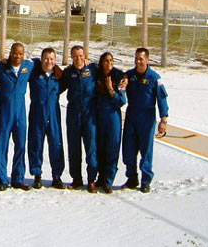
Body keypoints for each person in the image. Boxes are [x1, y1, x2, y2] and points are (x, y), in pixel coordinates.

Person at [122, 47, 169, 193]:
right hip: (131, 117)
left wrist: (163, 120)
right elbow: (117, 77)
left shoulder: (155, 78)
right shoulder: (129, 75)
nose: (138, 61)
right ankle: (132, 178)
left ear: (147, 60)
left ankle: (145, 180)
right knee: (128, 150)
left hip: (147, 119)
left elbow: (162, 99)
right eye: (136, 58)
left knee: (146, 151)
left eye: (141, 59)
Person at [0, 42, 35, 191]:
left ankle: (18, 178)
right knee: (2, 145)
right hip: (4, 112)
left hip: (20, 113)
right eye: (15, 53)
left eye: (20, 53)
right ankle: (2, 178)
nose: (17, 56)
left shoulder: (28, 66)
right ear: (10, 53)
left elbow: (41, 62)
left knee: (20, 145)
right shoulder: (0, 68)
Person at [59, 44, 98, 193]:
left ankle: (91, 179)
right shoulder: (68, 72)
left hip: (89, 113)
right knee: (74, 147)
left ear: (85, 56)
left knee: (91, 147)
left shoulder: (93, 69)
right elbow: (58, 86)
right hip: (74, 113)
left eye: (81, 56)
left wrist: (124, 79)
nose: (78, 58)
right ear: (71, 57)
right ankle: (76, 179)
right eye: (75, 56)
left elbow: (113, 72)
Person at [28, 47, 65, 190]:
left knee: (56, 144)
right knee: (36, 143)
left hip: (53, 114)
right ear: (41, 59)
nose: (49, 61)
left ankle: (57, 176)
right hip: (37, 112)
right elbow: (29, 63)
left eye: (52, 59)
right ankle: (37, 175)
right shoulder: (34, 72)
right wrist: (37, 62)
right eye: (46, 58)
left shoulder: (60, 75)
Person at [95, 52, 126, 193]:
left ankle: (108, 180)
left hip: (112, 117)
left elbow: (122, 101)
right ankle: (100, 178)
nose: (109, 63)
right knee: (99, 149)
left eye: (111, 60)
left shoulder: (118, 77)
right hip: (99, 117)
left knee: (112, 149)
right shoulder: (96, 75)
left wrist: (110, 90)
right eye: (106, 61)